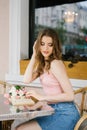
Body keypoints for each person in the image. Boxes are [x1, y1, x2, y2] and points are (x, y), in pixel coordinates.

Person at [15, 28, 80, 130]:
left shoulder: (55, 64)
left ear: (55, 46)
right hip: (52, 110)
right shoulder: (43, 64)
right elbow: (26, 80)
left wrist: (41, 97)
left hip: (65, 113)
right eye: (42, 44)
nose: (45, 48)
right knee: (19, 127)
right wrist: (34, 55)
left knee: (21, 129)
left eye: (50, 45)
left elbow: (70, 95)